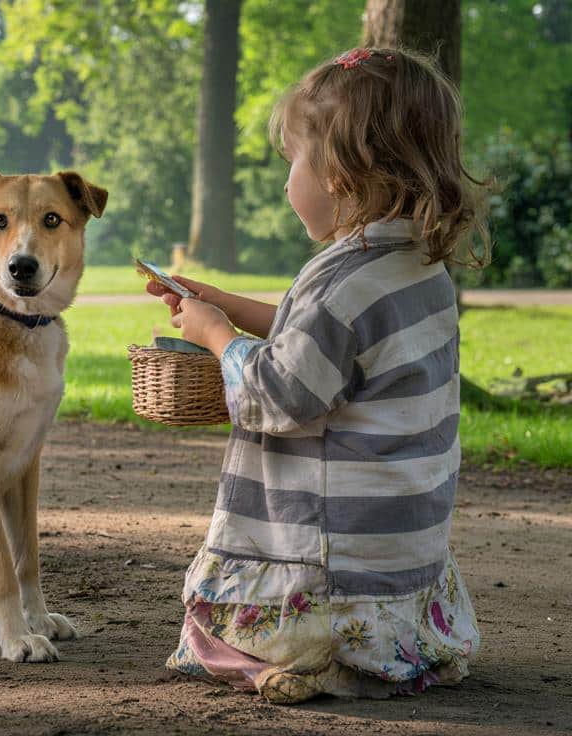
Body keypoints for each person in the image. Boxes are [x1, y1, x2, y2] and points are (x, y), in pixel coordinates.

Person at [148, 47, 489, 704]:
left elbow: (280, 394)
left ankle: (312, 656)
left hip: (335, 552)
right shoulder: (413, 267)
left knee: (211, 639)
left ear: (337, 172)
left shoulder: (342, 286)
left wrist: (216, 337)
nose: (286, 183)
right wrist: (225, 304)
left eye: (293, 161)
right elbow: (324, 342)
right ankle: (384, 649)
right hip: (396, 547)